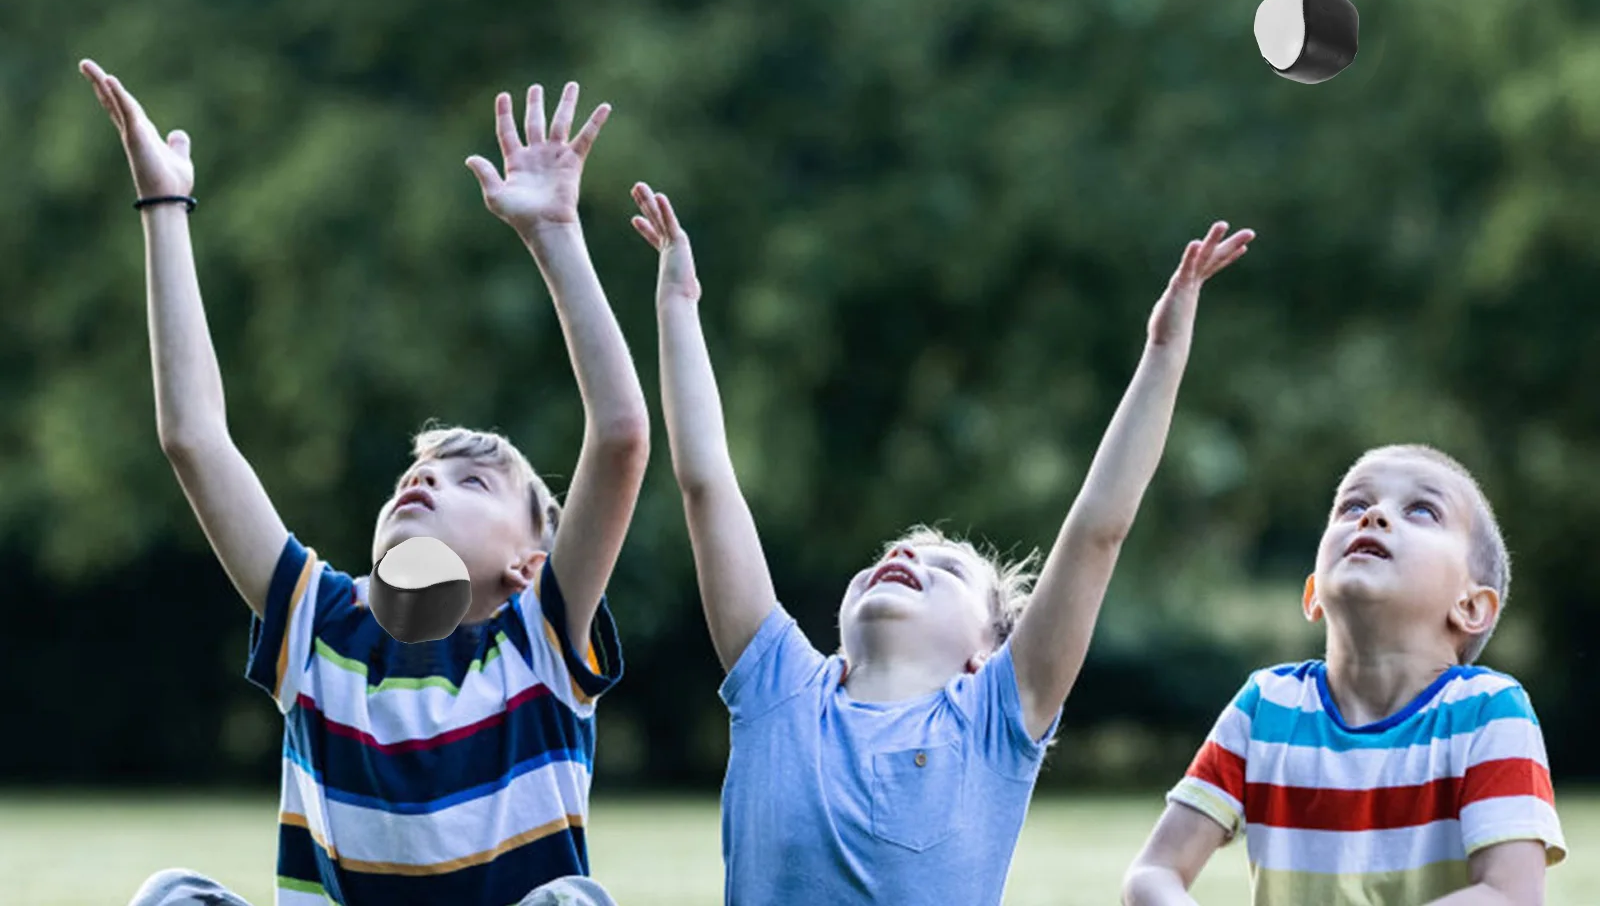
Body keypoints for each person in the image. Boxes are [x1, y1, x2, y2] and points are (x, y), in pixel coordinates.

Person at [82, 61, 649, 906]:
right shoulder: (321, 629)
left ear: (530, 566)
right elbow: (194, 437)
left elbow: (620, 435)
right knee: (172, 896)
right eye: (419, 470)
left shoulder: (538, 648)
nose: (425, 480)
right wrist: (165, 208)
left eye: (473, 483)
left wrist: (555, 235)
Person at [628, 178, 1252, 906]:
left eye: (945, 567)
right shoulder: (778, 691)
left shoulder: (993, 718)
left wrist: (1165, 348)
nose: (900, 557)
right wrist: (678, 307)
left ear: (982, 654)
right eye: (887, 557)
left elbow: (1097, 529)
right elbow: (706, 482)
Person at [1122, 443, 1567, 906]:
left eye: (1422, 510)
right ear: (1313, 593)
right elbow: (1154, 872)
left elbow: (1511, 895)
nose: (1373, 515)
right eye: (1353, 504)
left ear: (1470, 606)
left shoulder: (1490, 711)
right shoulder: (1266, 706)